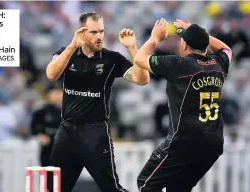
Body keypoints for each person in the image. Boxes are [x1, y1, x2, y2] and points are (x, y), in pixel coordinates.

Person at [45, 12, 150, 192]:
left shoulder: (111, 59)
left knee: (111, 189)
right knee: (53, 188)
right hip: (67, 131)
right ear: (82, 32)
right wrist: (72, 46)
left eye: (101, 31)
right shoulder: (66, 53)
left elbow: (142, 79)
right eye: (93, 32)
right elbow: (51, 74)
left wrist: (133, 48)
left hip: (95, 133)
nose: (99, 36)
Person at [133, 18, 232, 192]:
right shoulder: (219, 63)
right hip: (213, 143)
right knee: (178, 188)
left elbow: (140, 59)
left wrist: (154, 38)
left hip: (185, 141)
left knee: (146, 183)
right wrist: (198, 34)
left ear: (185, 46)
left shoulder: (180, 64)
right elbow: (226, 49)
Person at [30, 83, 64, 192]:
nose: (57, 95)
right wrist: (40, 135)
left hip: (65, 152)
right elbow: (33, 128)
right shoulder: (42, 111)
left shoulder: (70, 111)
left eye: (59, 92)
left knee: (63, 182)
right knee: (47, 182)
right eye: (54, 92)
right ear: (49, 94)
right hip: (47, 152)